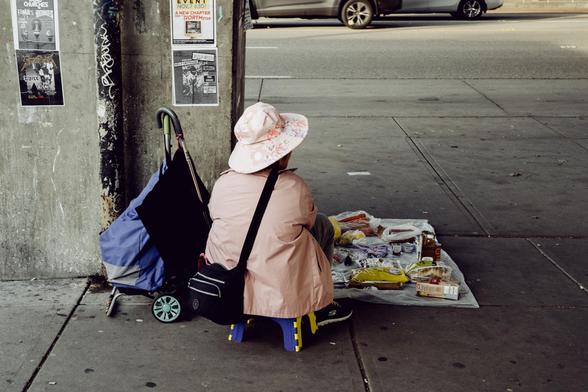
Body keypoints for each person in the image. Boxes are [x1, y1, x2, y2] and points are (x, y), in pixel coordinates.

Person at [205, 102, 352, 326]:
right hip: (278, 284)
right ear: (283, 153)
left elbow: (215, 214)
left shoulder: (223, 182)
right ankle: (322, 306)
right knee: (324, 227)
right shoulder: (294, 187)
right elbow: (309, 222)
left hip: (225, 279)